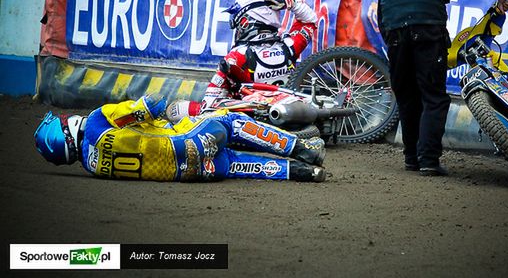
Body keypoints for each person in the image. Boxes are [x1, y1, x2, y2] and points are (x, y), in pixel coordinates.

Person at [378, 0, 508, 177]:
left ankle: (412, 158)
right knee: (433, 96)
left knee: (408, 95)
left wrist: (389, 34)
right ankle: (428, 160)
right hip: (427, 25)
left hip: (394, 28)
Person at [34, 94, 327, 182]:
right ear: (67, 132)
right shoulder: (98, 120)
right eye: (61, 122)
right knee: (232, 121)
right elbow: (147, 107)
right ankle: (302, 149)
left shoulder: (92, 166)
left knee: (236, 163)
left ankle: (303, 173)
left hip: (187, 171)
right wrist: (162, 106)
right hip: (187, 140)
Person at [167, 0, 317, 121]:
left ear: (248, 22)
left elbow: (210, 103)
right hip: (291, 107)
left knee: (176, 109)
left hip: (254, 116)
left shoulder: (237, 55)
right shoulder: (290, 45)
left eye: (239, 25)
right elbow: (310, 19)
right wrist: (289, 2)